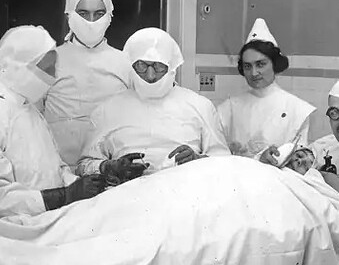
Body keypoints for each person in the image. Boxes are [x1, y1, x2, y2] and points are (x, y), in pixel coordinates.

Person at [0, 25, 105, 219]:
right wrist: (62, 196)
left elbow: (56, 170)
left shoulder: (29, 111)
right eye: (46, 69)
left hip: (44, 225)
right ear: (19, 67)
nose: (53, 77)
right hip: (11, 236)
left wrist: (90, 185)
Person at [79, 28, 230, 182]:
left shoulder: (200, 106)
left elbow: (226, 162)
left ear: (172, 65)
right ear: (131, 65)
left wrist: (198, 160)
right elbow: (84, 166)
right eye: (142, 66)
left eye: (159, 66)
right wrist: (110, 167)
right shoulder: (107, 111)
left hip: (186, 194)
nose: (150, 76)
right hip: (127, 196)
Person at [42, 0, 132, 171]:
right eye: (83, 13)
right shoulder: (50, 60)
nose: (91, 21)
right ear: (69, 15)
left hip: (111, 168)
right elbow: (31, 117)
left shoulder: (125, 62)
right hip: (59, 171)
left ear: (109, 17)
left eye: (99, 14)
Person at [217, 18, 316, 160]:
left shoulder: (297, 109)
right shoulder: (228, 109)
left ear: (274, 64)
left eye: (260, 64)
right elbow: (216, 156)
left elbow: (299, 163)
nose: (254, 73)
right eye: (247, 66)